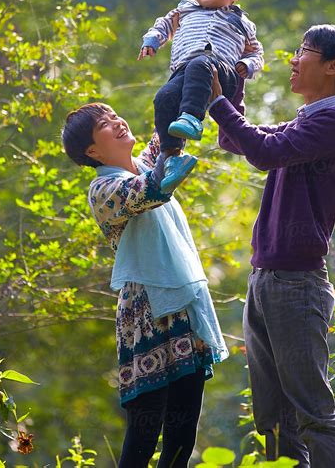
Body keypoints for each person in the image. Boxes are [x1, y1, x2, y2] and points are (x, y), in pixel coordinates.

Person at [208, 24, 335, 467]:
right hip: (266, 280)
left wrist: (219, 101)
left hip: (296, 286)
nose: (294, 61)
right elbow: (237, 139)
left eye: (304, 52)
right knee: (272, 421)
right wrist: (232, 81)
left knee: (313, 416)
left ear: (333, 67)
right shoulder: (307, 119)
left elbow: (263, 152)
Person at [62, 103, 228, 468]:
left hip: (185, 306)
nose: (119, 122)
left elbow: (168, 128)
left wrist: (194, 79)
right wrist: (167, 170)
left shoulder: (147, 162)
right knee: (144, 433)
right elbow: (147, 192)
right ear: (92, 151)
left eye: (116, 116)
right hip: (146, 316)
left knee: (182, 436)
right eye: (105, 125)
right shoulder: (103, 188)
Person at [138, 0, 264, 191]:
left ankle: (192, 119)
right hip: (184, 72)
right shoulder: (185, 10)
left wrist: (247, 65)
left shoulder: (241, 21)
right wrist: (153, 40)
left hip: (221, 74)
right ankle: (172, 157)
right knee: (163, 98)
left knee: (201, 63)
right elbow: (163, 25)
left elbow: (257, 53)